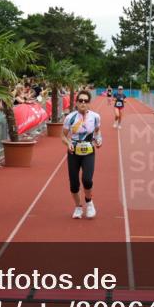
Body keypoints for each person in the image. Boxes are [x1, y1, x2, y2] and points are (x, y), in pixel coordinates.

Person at [61, 90, 102, 219]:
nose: (83, 103)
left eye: (86, 101)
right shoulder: (70, 117)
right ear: (77, 103)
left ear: (89, 103)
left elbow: (97, 132)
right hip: (73, 153)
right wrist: (68, 143)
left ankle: (89, 203)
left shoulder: (95, 117)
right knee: (74, 184)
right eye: (80, 101)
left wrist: (99, 140)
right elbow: (63, 135)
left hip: (89, 152)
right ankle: (78, 206)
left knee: (87, 180)